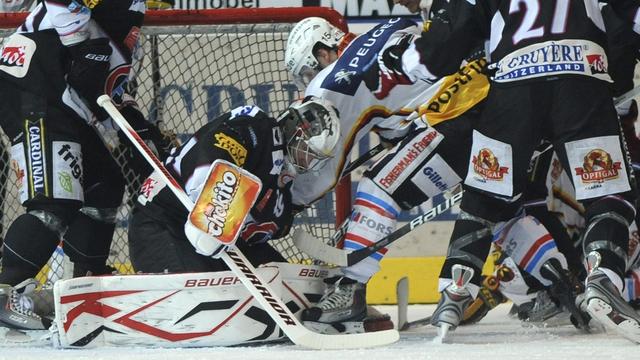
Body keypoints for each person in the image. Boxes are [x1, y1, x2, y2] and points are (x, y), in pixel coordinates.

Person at [379, 0, 640, 342]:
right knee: (608, 192)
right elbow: (627, 18)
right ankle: (604, 276)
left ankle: (455, 289)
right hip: (581, 76)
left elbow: (447, 41)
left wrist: (405, 60)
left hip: (514, 84)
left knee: (485, 195)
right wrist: (615, 79)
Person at [284, 16, 491, 332]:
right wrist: (397, 130)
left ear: (322, 51)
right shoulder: (394, 24)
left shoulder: (332, 81)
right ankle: (555, 286)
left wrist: (289, 203)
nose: (312, 77)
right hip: (495, 99)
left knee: (381, 185)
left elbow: (325, 168)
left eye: (309, 69)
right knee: (499, 201)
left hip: (455, 115)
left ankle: (349, 292)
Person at [0, 0, 171, 330]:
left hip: (63, 101)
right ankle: (6, 287)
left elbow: (103, 82)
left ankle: (84, 288)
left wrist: (134, 120)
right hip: (34, 87)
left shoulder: (129, 14)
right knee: (54, 199)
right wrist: (80, 37)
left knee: (104, 184)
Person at [128, 99, 339, 274]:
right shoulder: (258, 128)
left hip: (212, 244)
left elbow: (256, 234)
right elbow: (214, 152)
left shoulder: (280, 188)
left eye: (315, 159)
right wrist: (218, 207)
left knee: (285, 283)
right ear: (294, 128)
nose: (308, 162)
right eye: (307, 151)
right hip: (162, 223)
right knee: (203, 294)